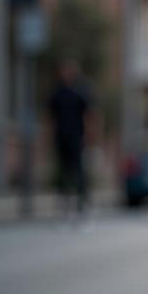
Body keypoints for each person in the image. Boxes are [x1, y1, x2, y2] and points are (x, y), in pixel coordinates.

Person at [48, 59, 94, 216]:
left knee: (79, 170)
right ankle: (63, 203)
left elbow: (89, 115)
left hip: (77, 137)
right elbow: (50, 118)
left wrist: (89, 135)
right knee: (62, 170)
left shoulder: (80, 91)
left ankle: (82, 203)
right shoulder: (57, 92)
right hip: (61, 137)